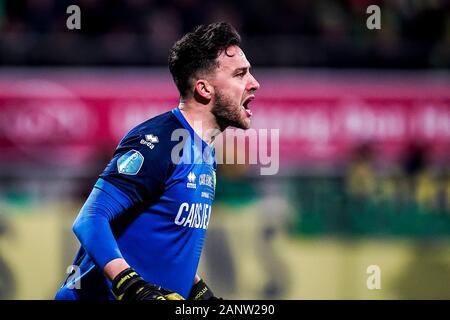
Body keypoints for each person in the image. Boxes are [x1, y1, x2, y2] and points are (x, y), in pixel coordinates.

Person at [54, 21, 260, 300]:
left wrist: (196, 288)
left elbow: (162, 236)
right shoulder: (159, 140)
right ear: (205, 89)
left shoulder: (206, 153)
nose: (254, 83)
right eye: (240, 74)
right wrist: (130, 285)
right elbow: (89, 219)